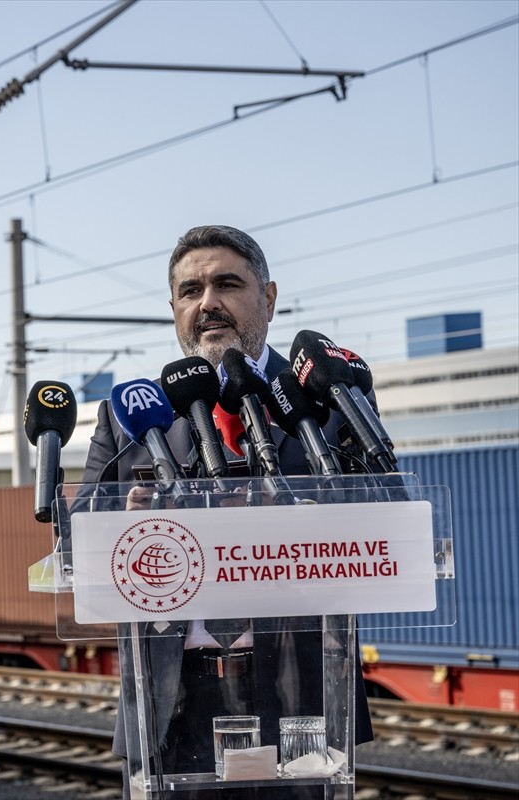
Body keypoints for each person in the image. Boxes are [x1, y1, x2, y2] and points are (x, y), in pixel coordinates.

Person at [78, 225, 374, 797]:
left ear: (267, 297)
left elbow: (385, 521)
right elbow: (76, 541)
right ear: (173, 310)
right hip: (174, 698)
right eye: (189, 291)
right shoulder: (131, 418)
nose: (206, 303)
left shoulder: (331, 402)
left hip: (304, 694)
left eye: (226, 284)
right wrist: (120, 527)